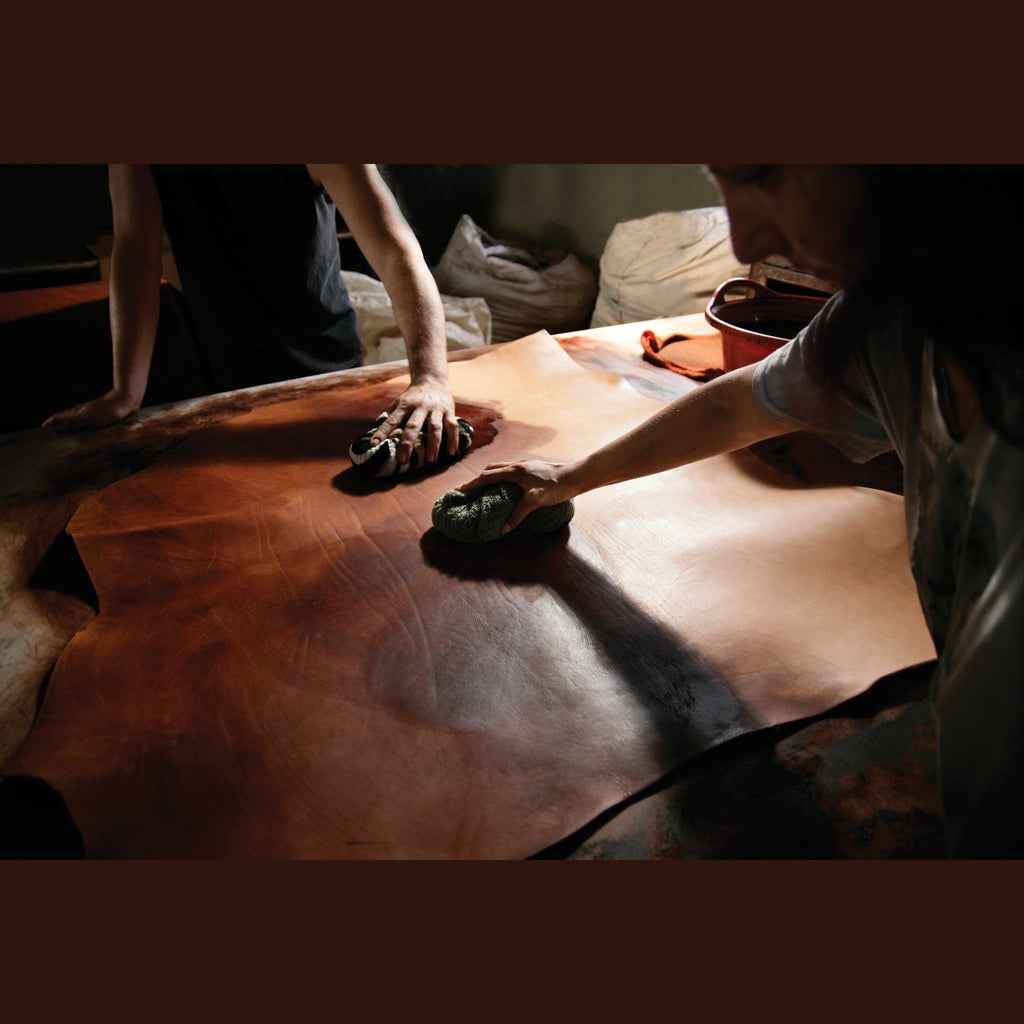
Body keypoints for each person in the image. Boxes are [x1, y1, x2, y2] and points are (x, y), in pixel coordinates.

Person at [461, 165, 1024, 859]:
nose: (744, 240)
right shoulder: (893, 325)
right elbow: (740, 403)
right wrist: (571, 475)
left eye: (763, 174)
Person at [43, 164, 461, 465]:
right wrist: (125, 394)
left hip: (325, 377)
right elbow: (136, 253)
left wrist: (430, 377)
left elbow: (396, 252)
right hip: (222, 383)